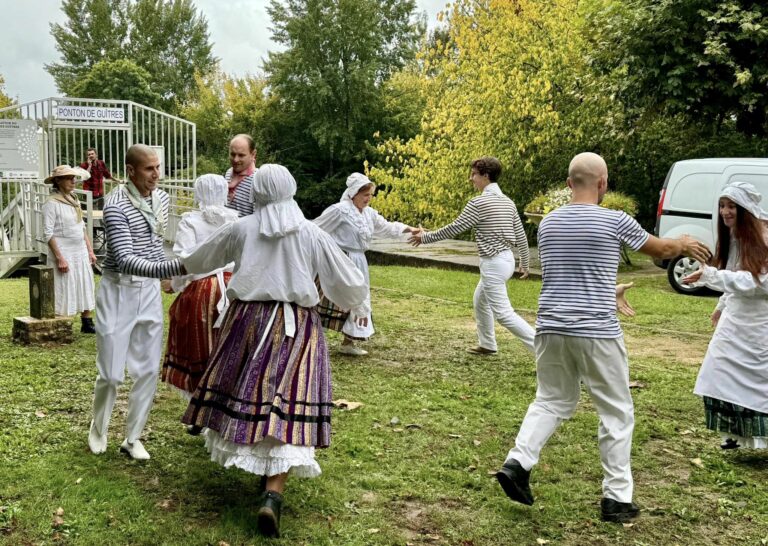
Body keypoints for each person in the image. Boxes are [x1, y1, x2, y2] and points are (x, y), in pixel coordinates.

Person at [495, 152, 711, 523]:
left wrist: (610, 291)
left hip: (550, 327)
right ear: (604, 183)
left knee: (551, 400)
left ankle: (518, 462)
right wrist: (685, 243)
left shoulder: (548, 224)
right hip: (596, 330)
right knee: (615, 411)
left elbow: (574, 274)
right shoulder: (615, 220)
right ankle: (616, 499)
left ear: (568, 184)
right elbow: (659, 249)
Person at [179, 164, 369, 538]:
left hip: (246, 322)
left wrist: (165, 270)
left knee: (250, 393)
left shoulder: (242, 229)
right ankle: (273, 493)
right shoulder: (310, 234)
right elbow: (349, 283)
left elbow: (199, 259)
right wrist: (349, 299)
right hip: (297, 325)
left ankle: (263, 476)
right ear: (290, 189)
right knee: (287, 400)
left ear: (259, 192)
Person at [88, 144, 185, 461]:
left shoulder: (162, 199)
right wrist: (173, 268)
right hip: (119, 290)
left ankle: (132, 437)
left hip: (148, 293)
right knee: (112, 373)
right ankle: (98, 428)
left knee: (146, 370)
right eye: (149, 169)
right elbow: (125, 259)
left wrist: (165, 277)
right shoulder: (116, 206)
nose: (156, 175)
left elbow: (155, 242)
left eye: (158, 167)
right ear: (131, 170)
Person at [409, 156, 535, 355]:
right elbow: (520, 234)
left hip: (493, 264)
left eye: (474, 174)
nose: (471, 178)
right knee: (480, 300)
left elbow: (454, 228)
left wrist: (425, 237)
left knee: (504, 314)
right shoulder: (508, 202)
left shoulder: (478, 203)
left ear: (486, 176)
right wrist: (525, 263)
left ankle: (546, 351)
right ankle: (488, 344)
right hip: (506, 261)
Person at [682, 181, 768, 450]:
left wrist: (711, 275)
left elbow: (757, 281)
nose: (725, 212)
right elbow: (734, 274)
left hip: (758, 320)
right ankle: (734, 432)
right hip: (736, 315)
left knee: (758, 380)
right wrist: (721, 305)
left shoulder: (763, 237)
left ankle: (758, 434)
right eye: (722, 205)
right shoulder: (734, 237)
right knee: (717, 369)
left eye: (731, 206)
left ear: (745, 210)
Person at [314, 173, 417, 355]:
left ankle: (348, 342)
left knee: (357, 297)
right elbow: (316, 229)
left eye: (370, 195)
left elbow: (386, 227)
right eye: (365, 195)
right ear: (353, 193)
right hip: (339, 260)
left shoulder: (369, 214)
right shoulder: (340, 210)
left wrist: (409, 229)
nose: (368, 199)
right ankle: (314, 338)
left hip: (359, 260)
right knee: (329, 296)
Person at [161, 174, 239, 399]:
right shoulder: (234, 220)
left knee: (199, 343)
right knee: (226, 342)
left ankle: (200, 399)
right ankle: (223, 394)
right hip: (232, 286)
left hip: (203, 289)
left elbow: (187, 262)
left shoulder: (191, 221)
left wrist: (174, 284)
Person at [42, 165, 97, 333]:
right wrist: (59, 257)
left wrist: (90, 250)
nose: (73, 181)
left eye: (74, 178)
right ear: (58, 181)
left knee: (84, 283)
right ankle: (61, 323)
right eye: (69, 178)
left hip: (79, 249)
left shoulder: (74, 200)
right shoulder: (51, 204)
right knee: (64, 286)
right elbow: (47, 233)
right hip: (63, 250)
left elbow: (81, 226)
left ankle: (87, 322)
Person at [224, 134, 257, 217]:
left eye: (241, 155)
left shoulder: (258, 180)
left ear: (253, 154)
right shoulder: (229, 172)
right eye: (232, 154)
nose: (235, 160)